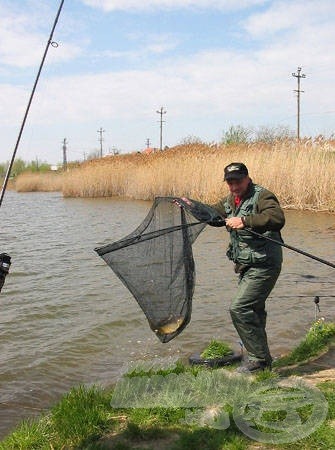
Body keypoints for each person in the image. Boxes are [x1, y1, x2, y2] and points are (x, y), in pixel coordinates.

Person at [183, 162, 285, 373]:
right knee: (254, 311)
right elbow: (214, 217)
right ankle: (262, 359)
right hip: (246, 264)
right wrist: (192, 206)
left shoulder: (263, 196)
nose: (234, 186)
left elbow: (277, 218)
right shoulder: (230, 200)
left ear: (247, 178)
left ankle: (260, 361)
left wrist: (245, 221)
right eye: (230, 182)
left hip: (265, 263)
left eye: (238, 181)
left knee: (240, 308)